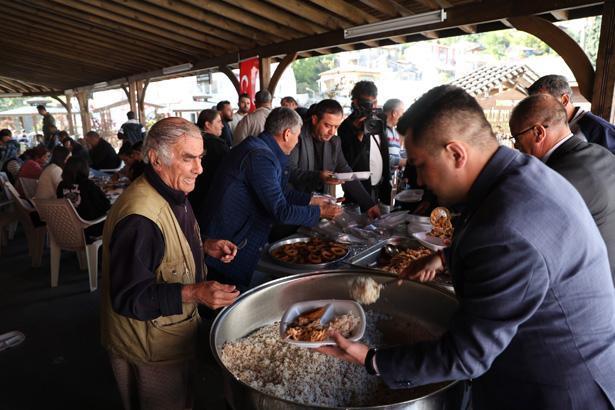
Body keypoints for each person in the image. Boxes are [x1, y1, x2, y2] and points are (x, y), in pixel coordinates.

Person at [317, 85, 615, 410]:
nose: (418, 179)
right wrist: (444, 256)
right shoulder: (521, 173)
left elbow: (467, 355)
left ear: (456, 154)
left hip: (559, 391)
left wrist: (372, 359)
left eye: (420, 165)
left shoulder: (508, 228)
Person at [100, 117, 240, 410]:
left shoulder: (171, 189)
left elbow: (162, 245)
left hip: (171, 334)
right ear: (156, 159)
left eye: (200, 158)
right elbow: (129, 298)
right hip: (148, 347)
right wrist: (196, 293)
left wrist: (203, 246)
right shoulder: (139, 219)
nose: (200, 169)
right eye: (188, 159)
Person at [201, 108, 342, 290]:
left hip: (237, 241)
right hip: (228, 247)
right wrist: (320, 212)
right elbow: (280, 210)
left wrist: (313, 200)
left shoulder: (265, 150)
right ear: (287, 134)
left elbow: (283, 193)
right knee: (227, 302)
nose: (298, 141)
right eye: (297, 136)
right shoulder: (259, 156)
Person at [510, 93, 615, 277]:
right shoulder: (600, 152)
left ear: (538, 133)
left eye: (516, 138)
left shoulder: (554, 178)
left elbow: (520, 236)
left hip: (595, 283)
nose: (516, 146)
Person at [288, 99, 380, 218]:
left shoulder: (334, 142)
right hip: (294, 208)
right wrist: (318, 176)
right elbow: (289, 171)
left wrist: (368, 204)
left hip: (322, 210)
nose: (332, 132)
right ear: (315, 120)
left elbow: (345, 171)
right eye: (327, 125)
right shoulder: (297, 136)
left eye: (336, 127)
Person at [528, 74, 615, 153]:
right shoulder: (547, 127)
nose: (537, 109)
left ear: (564, 100)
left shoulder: (598, 128)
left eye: (542, 102)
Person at [339, 81, 391, 205]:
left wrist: (386, 182)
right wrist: (359, 133)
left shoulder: (379, 122)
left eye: (373, 103)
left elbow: (385, 154)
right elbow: (346, 163)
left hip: (380, 187)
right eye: (366, 103)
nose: (370, 107)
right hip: (358, 191)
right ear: (355, 102)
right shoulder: (345, 127)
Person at [56, 156, 110, 239]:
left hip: (69, 229)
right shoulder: (88, 185)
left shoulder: (60, 186)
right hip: (90, 228)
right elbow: (105, 205)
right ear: (84, 169)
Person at [189, 109, 229, 214]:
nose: (222, 125)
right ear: (207, 124)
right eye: (219, 122)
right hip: (212, 197)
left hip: (193, 195)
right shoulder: (218, 145)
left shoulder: (191, 140)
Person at [382, 98, 406, 173]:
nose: (404, 115)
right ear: (394, 113)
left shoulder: (394, 132)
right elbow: (384, 158)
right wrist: (407, 162)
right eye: (402, 111)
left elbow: (397, 154)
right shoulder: (381, 131)